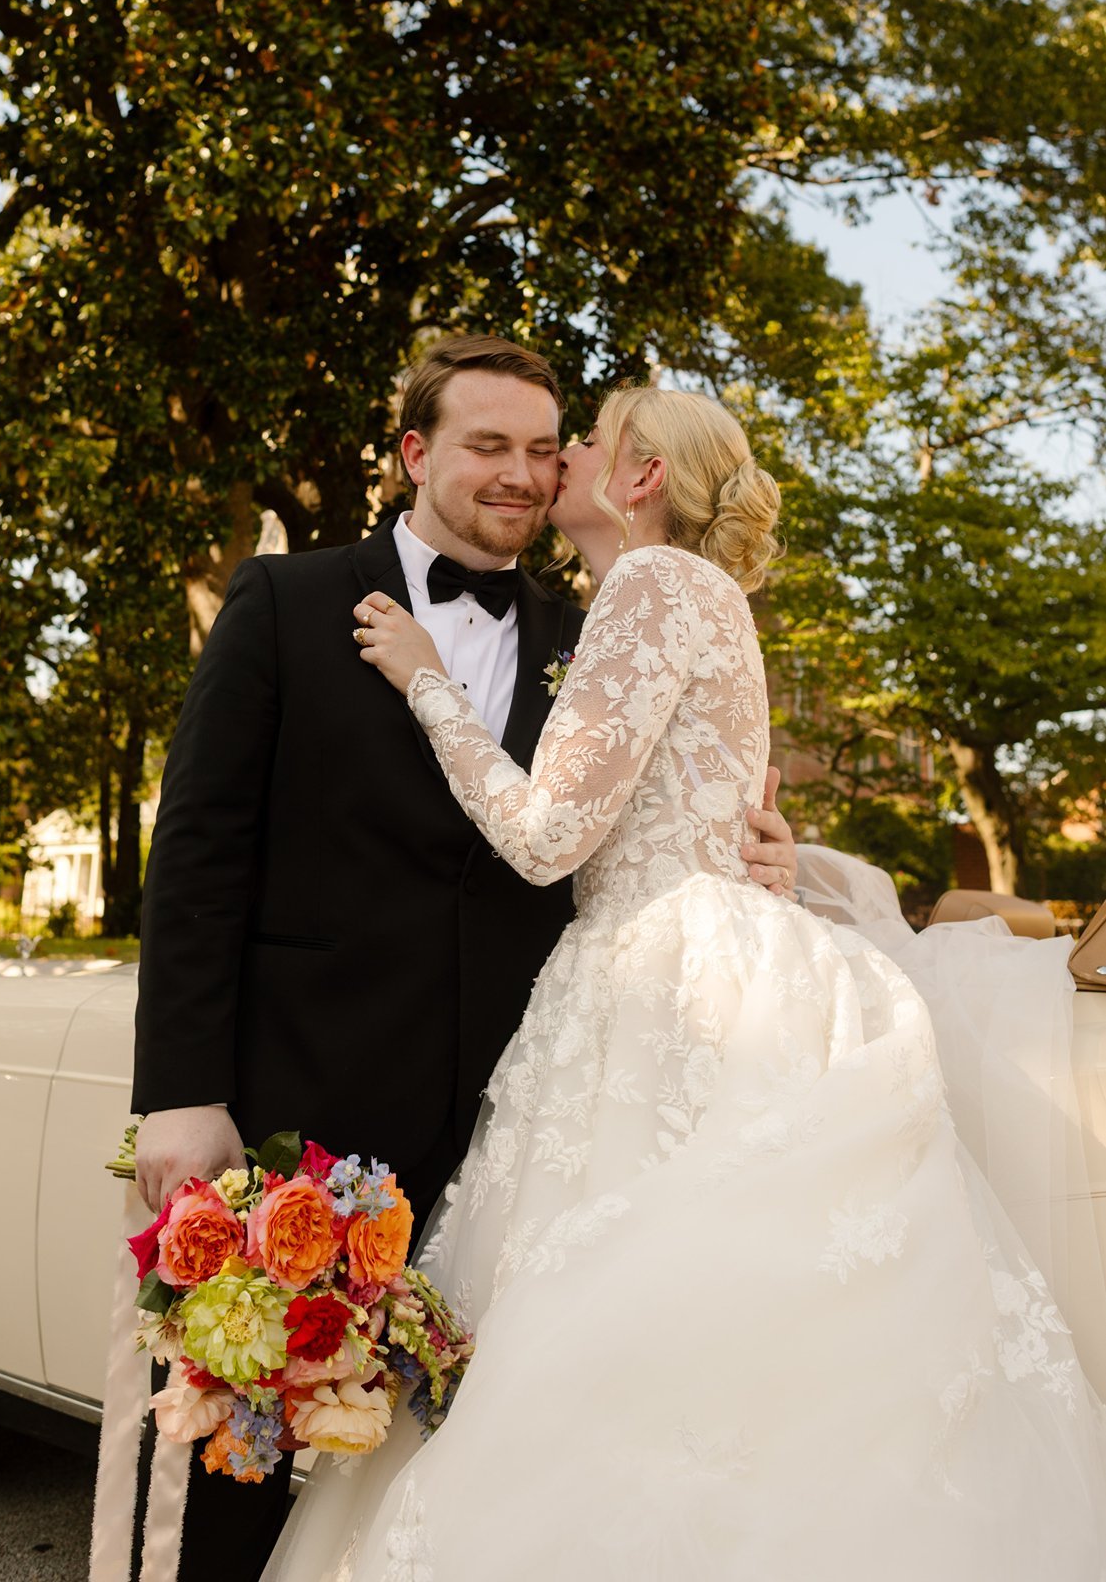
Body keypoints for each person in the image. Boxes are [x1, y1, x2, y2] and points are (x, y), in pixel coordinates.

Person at [264, 383, 1106, 1582]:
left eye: (585, 441)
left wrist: (422, 680)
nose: (559, 460)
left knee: (628, 1332)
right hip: (717, 957)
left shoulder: (652, 587)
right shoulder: (702, 600)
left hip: (661, 985)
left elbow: (550, 836)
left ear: (642, 475)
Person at [125, 339, 797, 1582]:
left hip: (525, 1131)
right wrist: (179, 1086)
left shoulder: (597, 625)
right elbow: (200, 855)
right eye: (488, 446)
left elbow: (631, 808)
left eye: (546, 451)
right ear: (415, 454)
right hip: (301, 1109)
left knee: (463, 1484)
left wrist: (755, 852)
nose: (525, 474)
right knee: (226, 1466)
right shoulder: (285, 601)